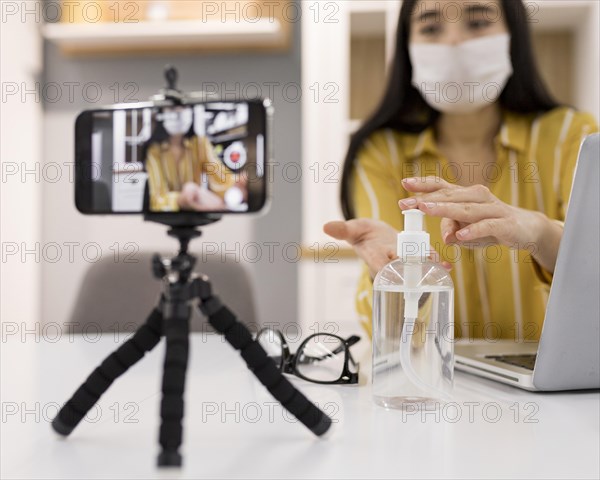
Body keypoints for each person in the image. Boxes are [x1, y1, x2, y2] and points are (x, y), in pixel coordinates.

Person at [324, 0, 598, 341]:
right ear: (407, 46)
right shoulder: (379, 151)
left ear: (513, 35)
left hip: (557, 388)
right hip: (437, 383)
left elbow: (594, 268)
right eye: (431, 27)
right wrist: (390, 273)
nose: (454, 41)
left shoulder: (571, 135)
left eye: (479, 22)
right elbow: (388, 333)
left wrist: (540, 233)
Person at [144, 106, 241, 212]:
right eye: (172, 108)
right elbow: (157, 199)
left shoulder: (200, 144)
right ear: (162, 114)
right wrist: (181, 199)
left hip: (197, 209)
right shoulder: (154, 151)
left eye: (183, 107)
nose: (178, 112)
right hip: (172, 211)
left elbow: (222, 179)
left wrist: (238, 183)